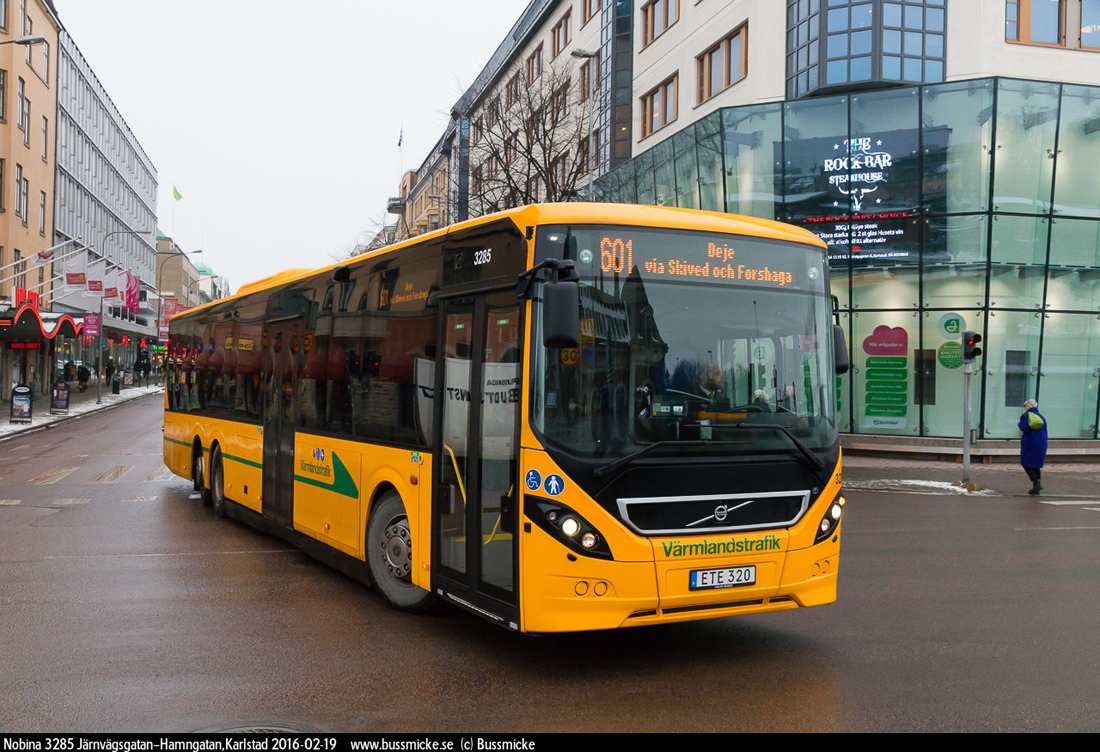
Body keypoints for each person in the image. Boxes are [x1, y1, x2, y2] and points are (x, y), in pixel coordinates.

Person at [1018, 398, 1048, 495]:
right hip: (1041, 443)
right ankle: (1037, 484)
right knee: (1035, 464)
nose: (1025, 408)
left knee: (1026, 463)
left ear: (1028, 406)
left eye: (1025, 406)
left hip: (1030, 443)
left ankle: (1036, 484)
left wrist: (1021, 420)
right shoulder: (1041, 417)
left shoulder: (1028, 416)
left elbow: (1024, 428)